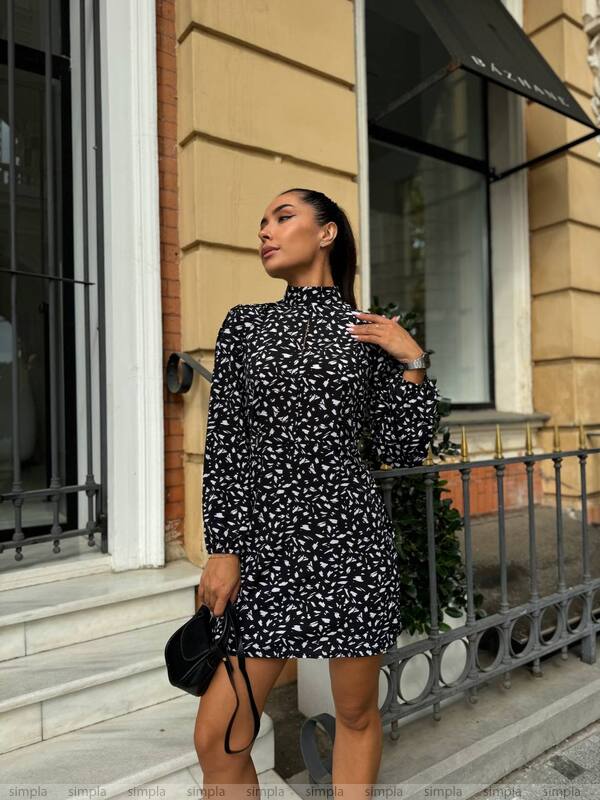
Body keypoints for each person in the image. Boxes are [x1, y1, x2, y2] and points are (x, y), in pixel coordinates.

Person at [194, 188, 440, 797]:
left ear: (327, 233)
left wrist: (412, 363)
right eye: (261, 224)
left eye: (282, 218)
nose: (265, 233)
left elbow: (401, 449)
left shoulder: (367, 331)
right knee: (216, 737)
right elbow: (227, 445)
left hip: (350, 545)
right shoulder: (245, 326)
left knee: (355, 714)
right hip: (269, 551)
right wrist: (224, 548)